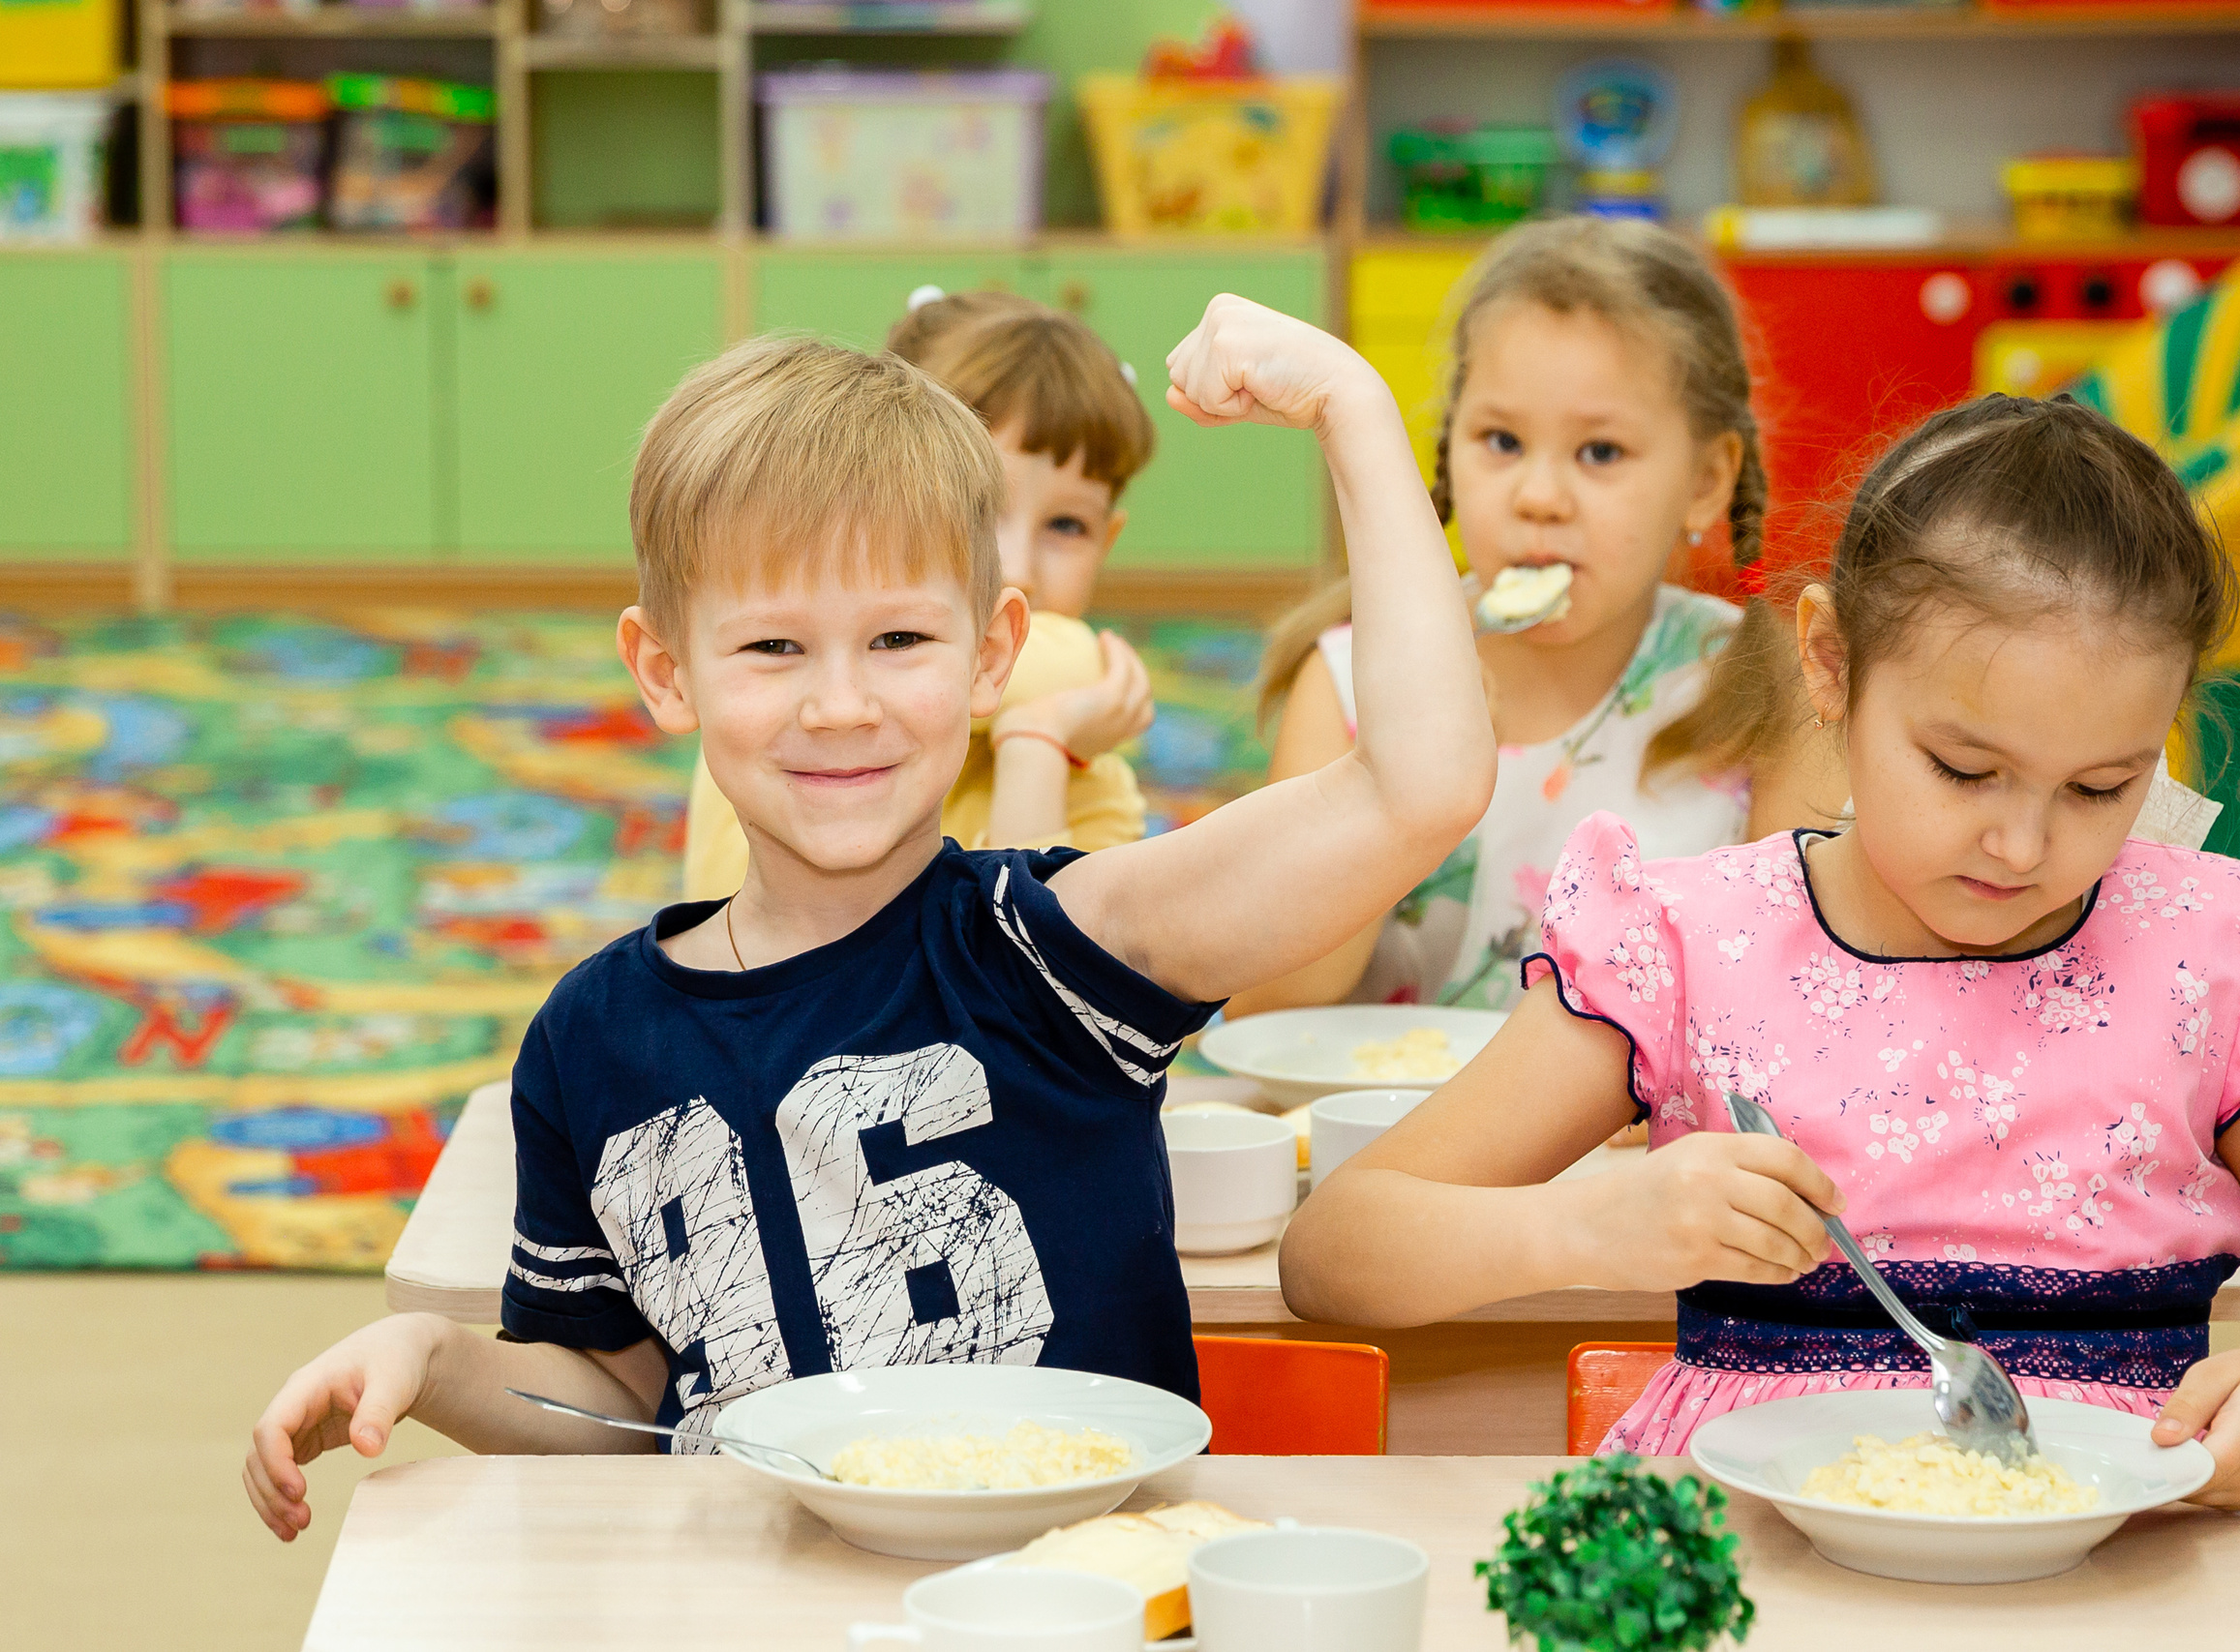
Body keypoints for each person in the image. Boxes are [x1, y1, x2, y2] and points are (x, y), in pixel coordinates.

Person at [243, 300, 1497, 1542]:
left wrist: (1352, 406)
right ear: (666, 667)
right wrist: (437, 1358)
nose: (840, 703)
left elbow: (1418, 784)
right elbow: (632, 1398)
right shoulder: (592, 1037)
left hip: (1077, 1610)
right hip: (760, 1608)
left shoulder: (1060, 947)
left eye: (898, 636)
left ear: (993, 650)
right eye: (775, 645)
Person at [1281, 394, 2240, 1508]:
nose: (2020, 842)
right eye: (1963, 769)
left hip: (2118, 1562)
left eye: (2102, 786)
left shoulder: (2216, 955)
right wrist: (1589, 1229)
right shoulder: (1688, 944)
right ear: (1828, 663)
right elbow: (1337, 1249)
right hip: (1750, 1560)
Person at [1229, 217, 1831, 1018]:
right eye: (1502, 440)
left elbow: (1796, 1002)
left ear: (1705, 480)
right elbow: (1266, 1008)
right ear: (1449, 451)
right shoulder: (1347, 681)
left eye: (1600, 453)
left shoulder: (1763, 689)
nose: (1538, 497)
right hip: (1381, 1130)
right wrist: (1397, 786)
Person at [681, 288, 1156, 897]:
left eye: (1067, 526)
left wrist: (1033, 745)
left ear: (1108, 541)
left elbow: (1034, 983)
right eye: (982, 510)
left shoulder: (1081, 762)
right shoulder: (791, 711)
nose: (1019, 569)